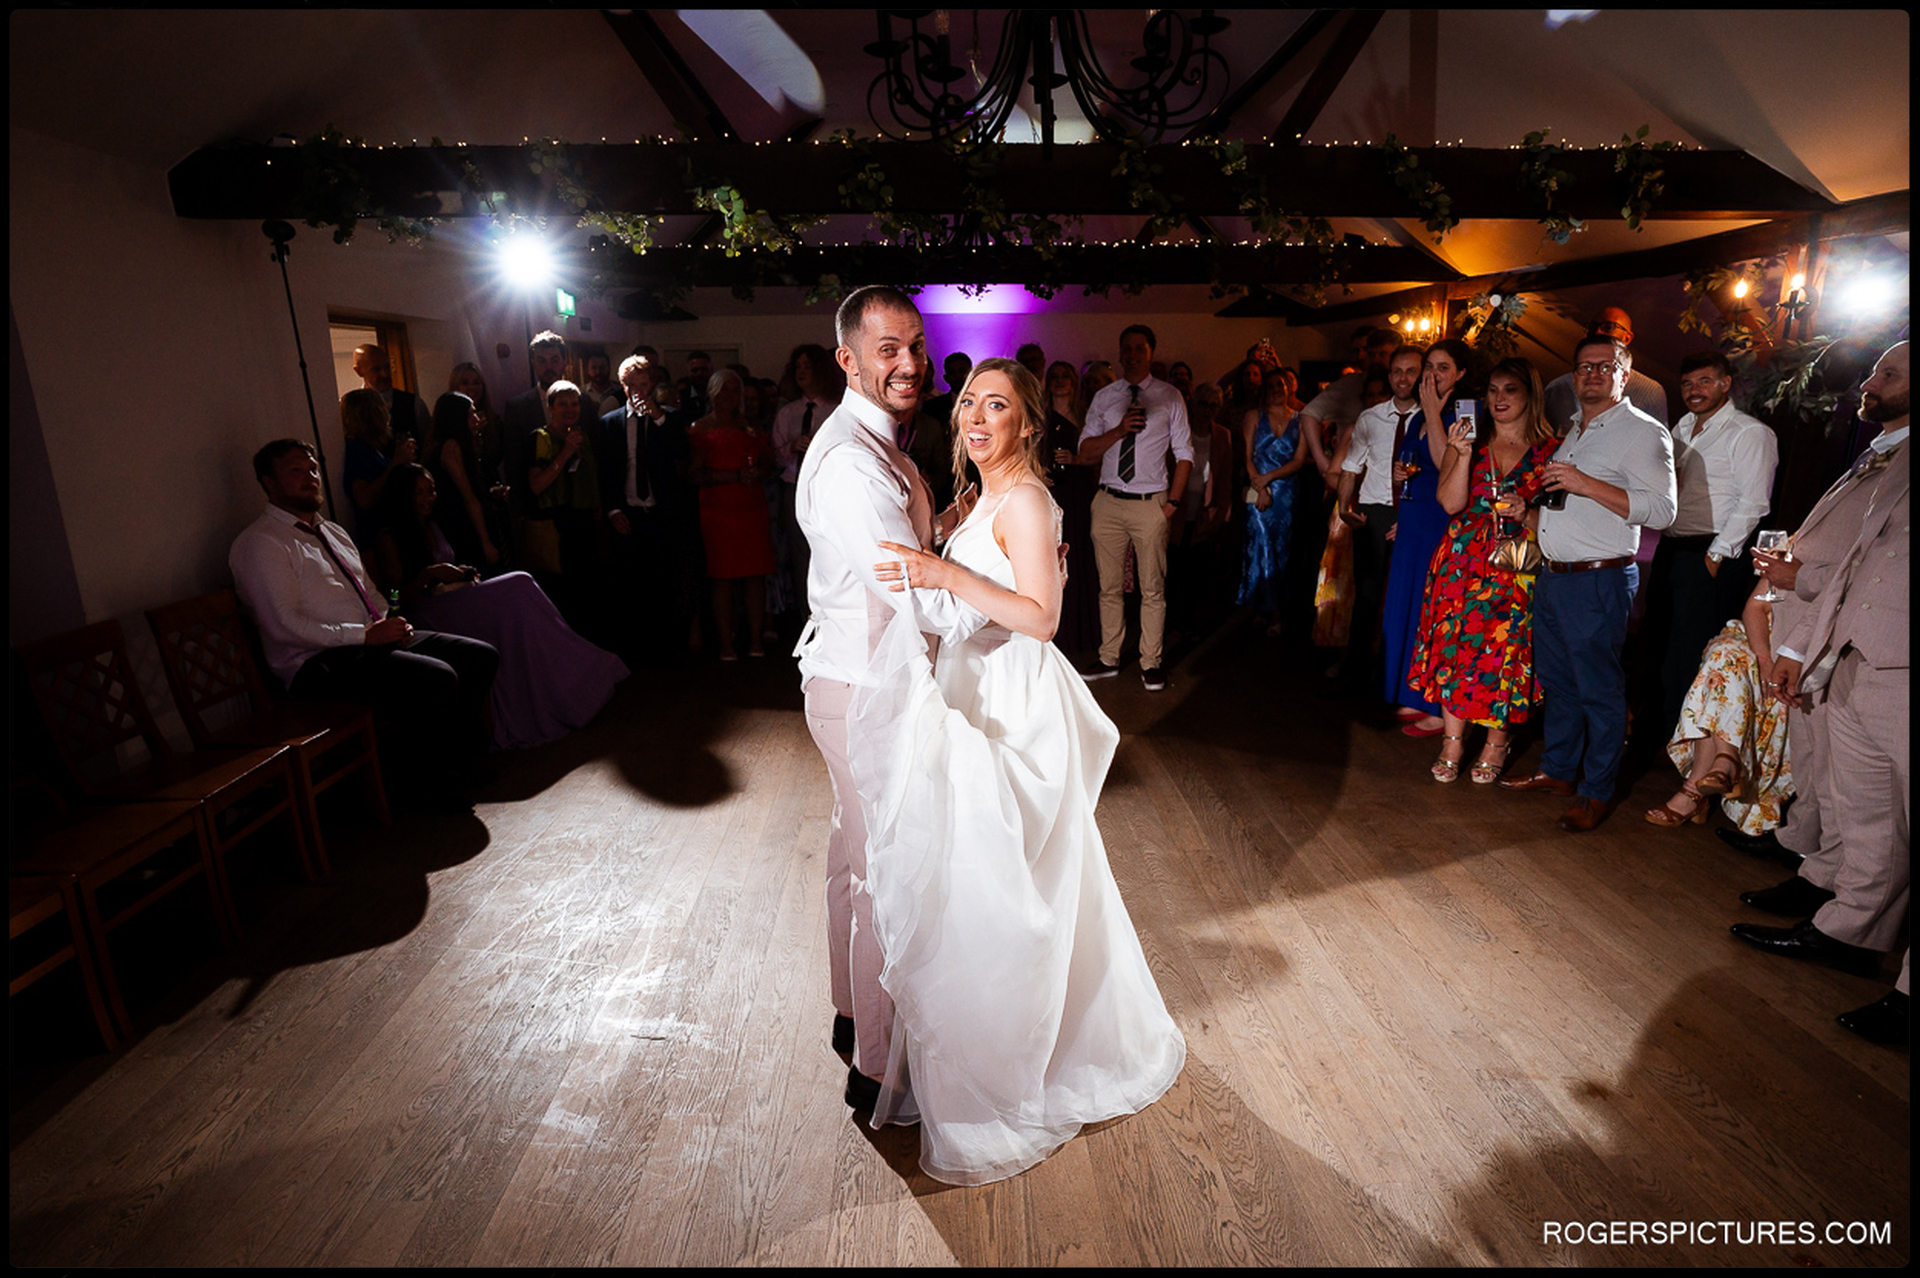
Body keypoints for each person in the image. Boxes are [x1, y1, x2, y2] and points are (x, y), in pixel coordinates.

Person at [869, 356, 1186, 1184]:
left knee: (1017, 882)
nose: (977, 418)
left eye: (997, 406)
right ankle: (990, 1041)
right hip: (973, 684)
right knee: (980, 880)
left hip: (1015, 701)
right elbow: (972, 606)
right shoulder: (979, 497)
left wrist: (942, 570)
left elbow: (1041, 618)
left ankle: (1034, 1055)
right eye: (969, 401)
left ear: (1027, 424)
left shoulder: (1030, 499)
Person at [794, 286, 988, 1114]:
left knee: (851, 858)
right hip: (866, 687)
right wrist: (1009, 594)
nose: (908, 363)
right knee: (884, 876)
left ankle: (850, 1015)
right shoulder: (849, 461)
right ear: (848, 359)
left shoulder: (877, 443)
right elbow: (912, 595)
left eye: (915, 345)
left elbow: (902, 551)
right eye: (887, 350)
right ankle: (879, 1068)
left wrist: (955, 520)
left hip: (858, 677)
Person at [1735, 341, 1909, 1044]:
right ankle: (1848, 929)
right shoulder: (1887, 459)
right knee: (1864, 814)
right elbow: (1860, 562)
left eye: (1889, 374)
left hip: (1900, 664)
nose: (1871, 382)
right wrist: (1802, 646)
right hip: (1857, 653)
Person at [230, 440, 498, 804]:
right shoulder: (262, 542)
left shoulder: (332, 532)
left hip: (366, 643)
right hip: (316, 665)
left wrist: (390, 620)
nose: (310, 477)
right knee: (436, 678)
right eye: (295, 471)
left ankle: (452, 759)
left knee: (479, 657)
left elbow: (370, 592)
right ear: (268, 482)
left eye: (312, 469)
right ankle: (427, 783)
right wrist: (365, 636)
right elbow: (283, 624)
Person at [1501, 335, 1677, 832]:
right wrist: (1528, 511)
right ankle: (1558, 771)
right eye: (1584, 367)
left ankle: (1595, 791)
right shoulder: (1576, 428)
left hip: (1598, 581)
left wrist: (1585, 483)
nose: (1593, 374)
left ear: (1625, 374)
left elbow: (1663, 511)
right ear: (1574, 376)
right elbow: (1572, 512)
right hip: (1555, 577)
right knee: (1559, 684)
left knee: (1599, 692)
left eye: (1605, 366)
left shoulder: (1644, 432)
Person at [370, 463, 628, 749]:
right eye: (419, 492)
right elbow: (393, 597)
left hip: (451, 600)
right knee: (519, 583)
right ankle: (571, 679)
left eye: (430, 490)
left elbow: (443, 573)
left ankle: (571, 681)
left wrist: (459, 573)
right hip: (424, 615)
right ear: (403, 495)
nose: (428, 497)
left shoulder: (431, 524)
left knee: (521, 590)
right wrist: (428, 575)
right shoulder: (389, 536)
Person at [1408, 357, 1557, 783]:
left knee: (1506, 653)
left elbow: (1563, 521)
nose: (1499, 399)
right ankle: (1452, 743)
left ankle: (1496, 742)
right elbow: (1451, 504)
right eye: (1492, 391)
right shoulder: (1473, 441)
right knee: (1456, 649)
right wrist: (1463, 450)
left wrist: (1526, 512)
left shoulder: (1553, 451)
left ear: (1530, 395)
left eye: (1509, 390)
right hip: (1462, 563)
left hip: (1516, 564)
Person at [1638, 351, 1779, 750]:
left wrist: (1716, 557)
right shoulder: (1679, 428)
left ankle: (1691, 749)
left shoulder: (1748, 432)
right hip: (1671, 548)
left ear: (1725, 383)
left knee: (1693, 651)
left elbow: (1753, 503)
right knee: (1660, 642)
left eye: (1703, 381)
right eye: (1687, 383)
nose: (1693, 391)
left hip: (1711, 552)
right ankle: (1658, 735)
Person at [1078, 323, 1193, 691]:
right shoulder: (1105, 398)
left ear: (1151, 352)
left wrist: (1172, 503)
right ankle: (1109, 657)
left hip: (1151, 502)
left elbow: (1185, 455)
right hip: (1109, 500)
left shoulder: (1170, 396)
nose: (1132, 354)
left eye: (1140, 348)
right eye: (1126, 348)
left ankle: (1151, 662)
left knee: (1152, 588)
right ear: (1120, 352)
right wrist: (1119, 431)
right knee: (1108, 588)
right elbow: (1085, 452)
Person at [1380, 340, 1474, 733]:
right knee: (1404, 605)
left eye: (1444, 367)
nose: (1433, 375)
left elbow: (1443, 461)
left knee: (1431, 611)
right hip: (1415, 518)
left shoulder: (1464, 413)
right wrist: (1403, 480)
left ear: (1461, 374)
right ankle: (1407, 693)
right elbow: (1413, 460)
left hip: (1440, 521)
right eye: (1429, 367)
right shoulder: (1420, 416)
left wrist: (1435, 414)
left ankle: (1433, 704)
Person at [1646, 582, 1791, 832]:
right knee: (1723, 657)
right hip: (1761, 637)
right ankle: (1724, 763)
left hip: (1803, 648)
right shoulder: (1795, 544)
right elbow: (1754, 607)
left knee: (1725, 671)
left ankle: (1699, 786)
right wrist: (1764, 659)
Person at [1333, 345, 1424, 698]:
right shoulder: (1370, 418)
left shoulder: (1431, 419)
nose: (1403, 378)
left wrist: (1414, 520)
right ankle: (1355, 676)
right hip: (1374, 512)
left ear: (1422, 375)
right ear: (1389, 377)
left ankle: (1401, 682)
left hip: (1413, 513)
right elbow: (1351, 467)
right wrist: (1344, 507)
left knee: (1407, 597)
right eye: (1397, 371)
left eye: (1411, 371)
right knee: (1367, 597)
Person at [595, 355, 692, 665]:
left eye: (644, 385)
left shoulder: (670, 418)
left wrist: (659, 417)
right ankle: (635, 652)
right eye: (632, 385)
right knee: (630, 584)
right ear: (623, 387)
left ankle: (666, 651)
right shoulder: (609, 424)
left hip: (661, 513)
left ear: (651, 385)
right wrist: (612, 510)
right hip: (628, 514)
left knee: (664, 582)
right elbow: (606, 472)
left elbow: (682, 453)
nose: (638, 391)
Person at [688, 369, 777, 659]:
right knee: (722, 578)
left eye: (734, 390)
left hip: (751, 507)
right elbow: (694, 474)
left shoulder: (750, 428)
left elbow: (768, 464)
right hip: (717, 510)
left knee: (755, 576)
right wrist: (733, 476)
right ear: (712, 392)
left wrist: (757, 473)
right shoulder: (699, 428)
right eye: (723, 390)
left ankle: (755, 641)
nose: (729, 396)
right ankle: (726, 643)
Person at [522, 379, 604, 637]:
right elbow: (536, 485)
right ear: (550, 407)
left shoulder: (582, 434)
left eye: (575, 403)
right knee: (564, 595)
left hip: (584, 522)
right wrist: (566, 452)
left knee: (588, 593)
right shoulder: (541, 438)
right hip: (558, 525)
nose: (570, 409)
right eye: (563, 404)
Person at [771, 342, 843, 623]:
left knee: (832, 556)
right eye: (797, 367)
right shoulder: (788, 413)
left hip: (829, 495)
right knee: (801, 559)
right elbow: (775, 458)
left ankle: (835, 619)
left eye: (807, 366)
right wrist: (792, 447)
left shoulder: (837, 411)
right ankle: (808, 621)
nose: (801, 372)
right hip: (795, 489)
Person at [1236, 364, 1310, 635]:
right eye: (1270, 387)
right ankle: (1262, 609)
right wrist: (1261, 485)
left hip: (1286, 493)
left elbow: (1300, 460)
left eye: (1280, 385)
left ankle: (1275, 610)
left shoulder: (1302, 419)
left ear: (1289, 387)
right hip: (1258, 491)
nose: (1276, 390)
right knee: (1259, 548)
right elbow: (1246, 457)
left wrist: (1270, 480)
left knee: (1281, 551)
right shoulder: (1254, 416)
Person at [1043, 359, 1100, 653]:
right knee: (1052, 559)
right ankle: (1056, 633)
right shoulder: (1040, 416)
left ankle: (1082, 634)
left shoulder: (1087, 415)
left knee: (1079, 558)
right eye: (1055, 376)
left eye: (1066, 375)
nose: (1060, 380)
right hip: (1051, 494)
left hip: (1080, 493)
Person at [1541, 307, 1669, 435]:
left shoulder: (1650, 391)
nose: (1598, 332)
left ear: (1627, 338)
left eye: (1608, 327)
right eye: (1592, 327)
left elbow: (1656, 441)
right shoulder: (1556, 389)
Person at [424, 391, 501, 572]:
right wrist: (485, 541)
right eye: (469, 415)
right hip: (461, 526)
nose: (475, 419)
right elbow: (468, 497)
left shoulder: (442, 444)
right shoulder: (451, 446)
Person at [502, 331, 573, 521]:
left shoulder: (583, 402)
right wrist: (519, 510)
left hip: (578, 505)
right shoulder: (517, 408)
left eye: (554, 360)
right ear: (533, 363)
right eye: (541, 360)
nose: (548, 366)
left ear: (565, 362)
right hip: (538, 508)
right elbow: (514, 465)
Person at [338, 388, 416, 558]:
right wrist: (397, 462)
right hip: (378, 535)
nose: (387, 412)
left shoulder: (375, 447)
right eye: (382, 408)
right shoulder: (357, 449)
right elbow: (364, 499)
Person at [351, 342, 433, 439]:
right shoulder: (352, 407)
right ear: (359, 371)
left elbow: (429, 445)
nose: (384, 374)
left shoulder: (414, 404)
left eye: (387, 367)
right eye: (376, 369)